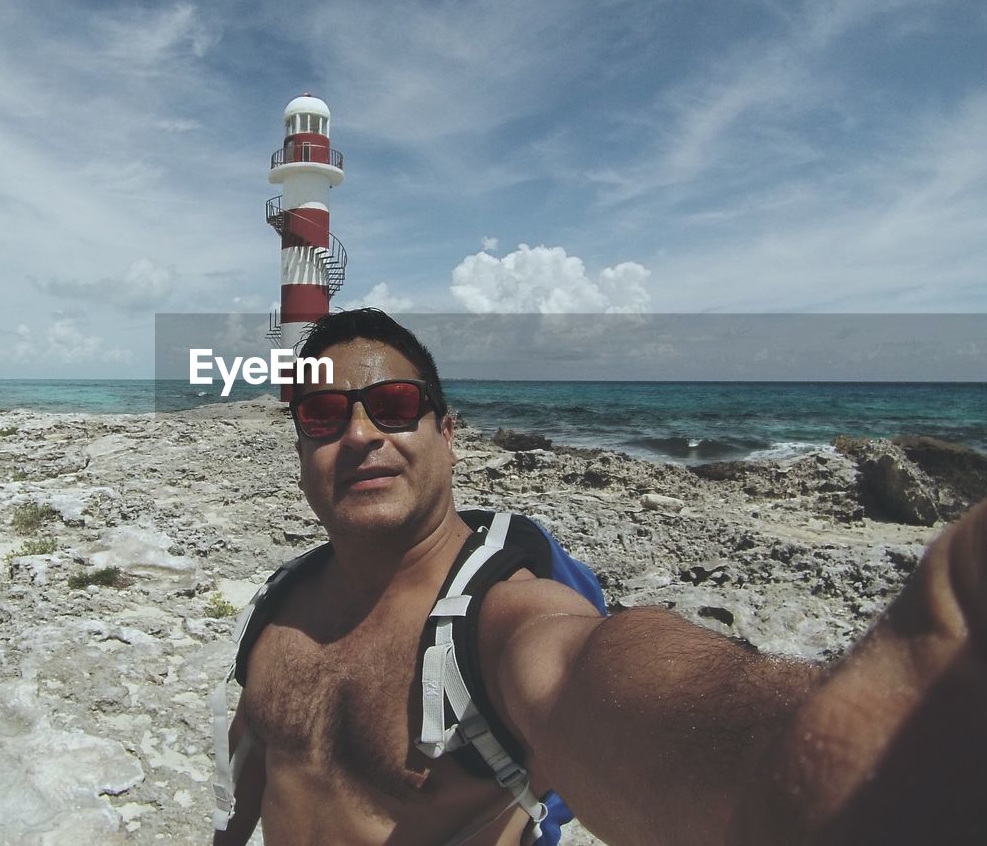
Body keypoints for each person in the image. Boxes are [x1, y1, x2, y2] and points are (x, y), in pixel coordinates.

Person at [212, 308, 985, 846]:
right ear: (299, 450)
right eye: (321, 415)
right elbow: (258, 774)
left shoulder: (494, 619)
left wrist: (831, 753)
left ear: (449, 436)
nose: (358, 435)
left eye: (393, 405)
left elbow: (595, 676)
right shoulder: (279, 606)